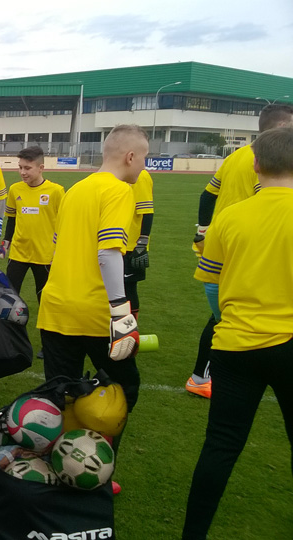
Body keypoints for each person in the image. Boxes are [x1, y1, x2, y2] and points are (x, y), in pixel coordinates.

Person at [183, 127, 293, 539]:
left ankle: (193, 534)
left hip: (234, 346)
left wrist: (227, 319)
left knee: (221, 445)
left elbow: (211, 285)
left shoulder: (229, 216)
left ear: (256, 164)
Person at [37, 124, 147, 494]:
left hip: (56, 307)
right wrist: (120, 309)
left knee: (61, 396)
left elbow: (59, 246)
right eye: (143, 158)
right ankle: (95, 472)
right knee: (121, 391)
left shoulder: (75, 190)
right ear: (130, 156)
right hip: (95, 311)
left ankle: (59, 473)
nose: (143, 165)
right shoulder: (119, 190)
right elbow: (108, 251)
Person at [186, 103, 293, 399]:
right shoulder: (271, 162)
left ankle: (201, 376)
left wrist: (203, 231)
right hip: (251, 249)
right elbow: (268, 207)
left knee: (223, 317)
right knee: (236, 319)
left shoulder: (236, 156)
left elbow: (207, 195)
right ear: (281, 127)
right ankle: (203, 376)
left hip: (223, 244)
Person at [1, 146, 64, 302]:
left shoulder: (56, 191)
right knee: (9, 296)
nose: (22, 172)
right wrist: (5, 243)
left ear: (41, 168)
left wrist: (60, 250)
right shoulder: (15, 189)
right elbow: (12, 219)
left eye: (27, 168)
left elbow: (64, 224)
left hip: (45, 255)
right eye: (20, 167)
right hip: (18, 252)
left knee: (44, 298)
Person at [123, 168, 154, 321]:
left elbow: (147, 211)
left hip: (131, 246)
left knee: (128, 287)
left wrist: (141, 243)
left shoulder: (140, 175)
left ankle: (131, 327)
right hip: (113, 242)